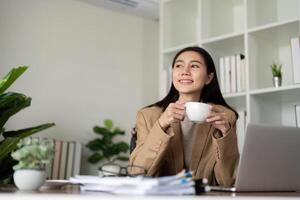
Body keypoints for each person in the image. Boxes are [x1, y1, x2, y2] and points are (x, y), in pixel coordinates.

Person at [129, 46, 239, 186]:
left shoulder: (225, 116)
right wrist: (161, 126)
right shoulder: (147, 115)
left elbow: (228, 182)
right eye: (179, 66)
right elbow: (137, 173)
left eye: (194, 66)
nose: (185, 72)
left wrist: (225, 136)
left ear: (208, 78)